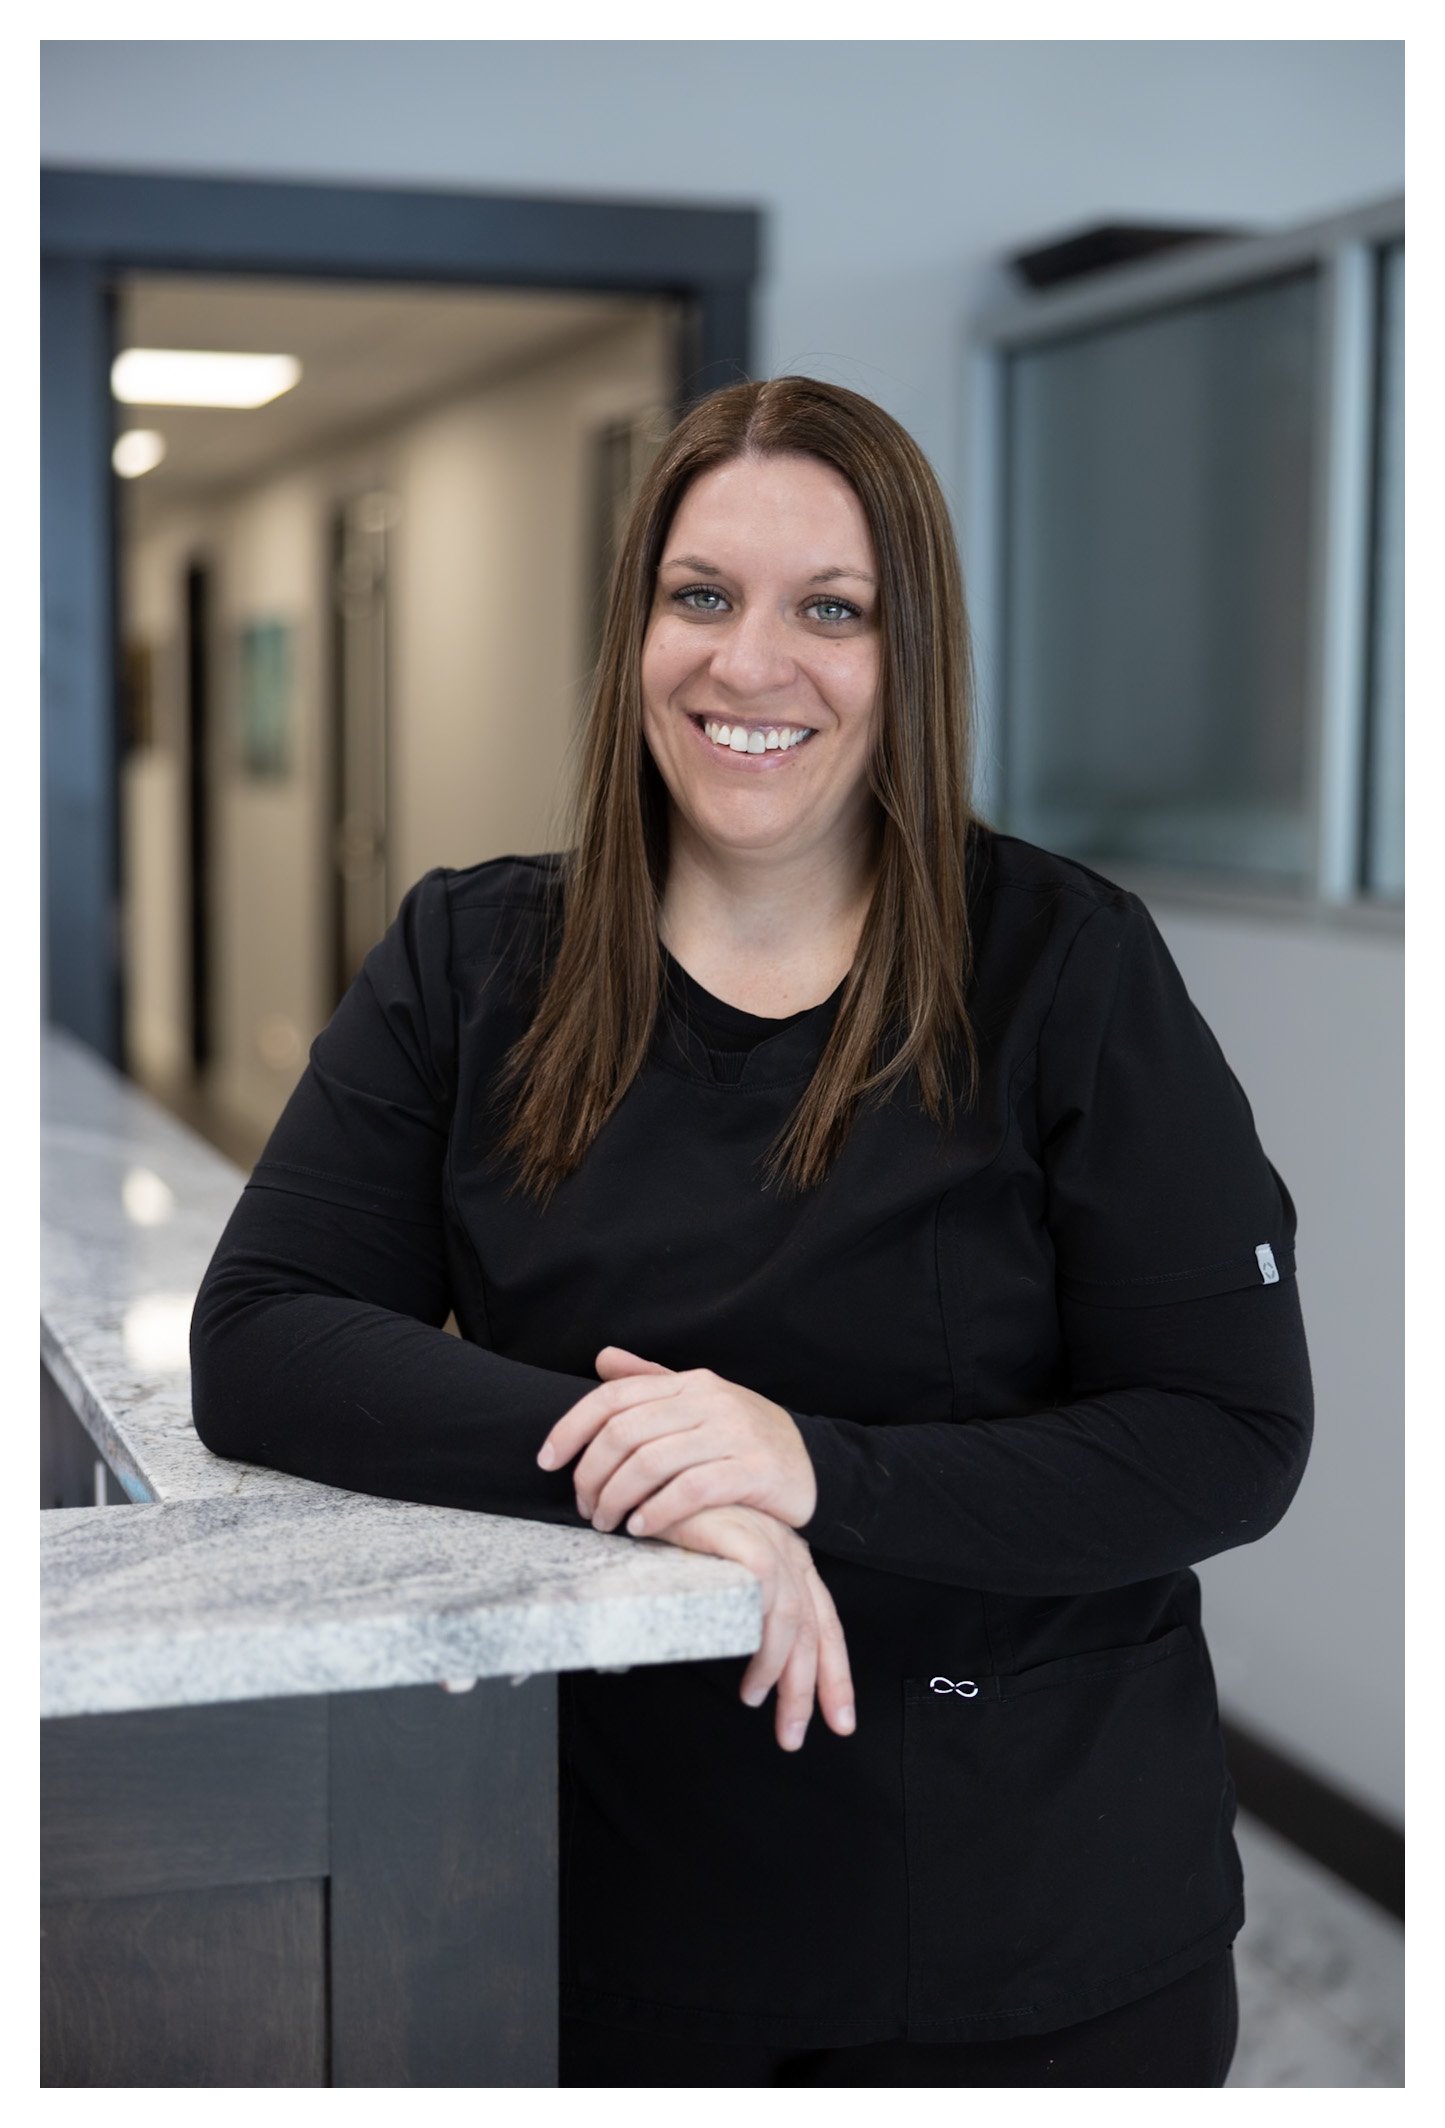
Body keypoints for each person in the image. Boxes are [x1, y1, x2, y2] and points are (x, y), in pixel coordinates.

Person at [190, 374, 1312, 2088]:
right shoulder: (474, 959)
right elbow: (263, 1335)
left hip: (1029, 1926)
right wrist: (658, 1469)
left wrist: (808, 1471)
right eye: (700, 595)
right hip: (596, 1894)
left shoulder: (1062, 970)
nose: (748, 663)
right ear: (636, 626)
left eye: (831, 610)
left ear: (907, 653)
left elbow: (1224, 1438)